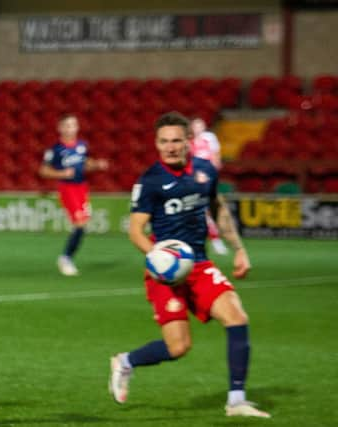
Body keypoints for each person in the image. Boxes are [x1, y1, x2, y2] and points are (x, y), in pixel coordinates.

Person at [108, 112, 270, 418]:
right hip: (165, 271)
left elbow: (218, 209)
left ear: (189, 142)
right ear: (156, 143)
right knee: (178, 347)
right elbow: (135, 230)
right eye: (164, 141)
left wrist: (239, 249)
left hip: (198, 263)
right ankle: (125, 362)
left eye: (176, 141)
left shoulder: (206, 171)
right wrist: (158, 258)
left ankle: (236, 401)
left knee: (237, 318)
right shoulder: (150, 181)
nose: (170, 147)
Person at [38, 113, 108, 276]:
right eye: (67, 125)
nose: (71, 129)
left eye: (74, 125)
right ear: (60, 128)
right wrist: (62, 174)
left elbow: (84, 163)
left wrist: (96, 165)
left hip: (82, 188)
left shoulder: (82, 145)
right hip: (68, 188)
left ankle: (67, 258)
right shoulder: (55, 150)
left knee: (82, 224)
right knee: (80, 223)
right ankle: (65, 259)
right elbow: (43, 171)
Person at [190, 117, 228, 255]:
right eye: (195, 126)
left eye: (200, 125)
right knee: (202, 210)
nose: (198, 128)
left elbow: (216, 157)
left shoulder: (209, 138)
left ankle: (215, 239)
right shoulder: (190, 142)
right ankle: (215, 240)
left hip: (209, 178)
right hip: (196, 180)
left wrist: (212, 173)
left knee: (208, 209)